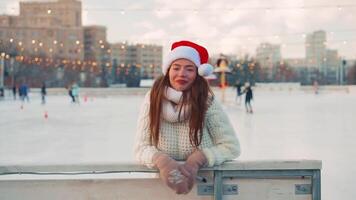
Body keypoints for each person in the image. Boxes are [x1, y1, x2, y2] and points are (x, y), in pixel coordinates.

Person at [134, 41, 241, 195]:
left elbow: (231, 146)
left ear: (197, 73)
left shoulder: (207, 100)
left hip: (204, 187)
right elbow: (141, 147)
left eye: (189, 69)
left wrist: (197, 160)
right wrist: (163, 162)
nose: (181, 74)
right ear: (168, 70)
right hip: (160, 188)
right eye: (176, 68)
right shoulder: (152, 99)